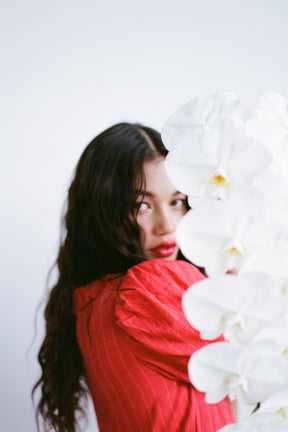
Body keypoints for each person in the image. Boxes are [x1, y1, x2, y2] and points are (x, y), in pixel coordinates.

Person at [33, 122, 234, 432]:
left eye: (176, 201)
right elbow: (257, 350)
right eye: (141, 205)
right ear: (104, 210)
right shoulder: (146, 287)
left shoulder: (86, 302)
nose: (167, 225)